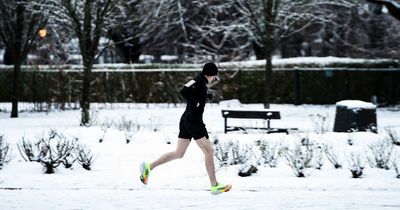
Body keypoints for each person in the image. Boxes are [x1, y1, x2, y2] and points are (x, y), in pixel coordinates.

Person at [140, 62, 231, 195]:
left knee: (179, 153)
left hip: (186, 120)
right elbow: (184, 90)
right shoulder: (199, 80)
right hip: (194, 121)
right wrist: (197, 102)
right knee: (209, 152)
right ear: (212, 74)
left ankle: (149, 167)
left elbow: (194, 92)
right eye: (215, 75)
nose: (215, 78)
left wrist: (205, 97)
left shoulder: (200, 81)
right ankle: (215, 185)